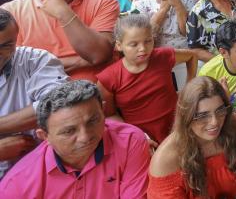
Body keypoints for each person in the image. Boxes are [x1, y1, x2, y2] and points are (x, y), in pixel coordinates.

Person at [0, 80, 150, 197]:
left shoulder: (130, 141)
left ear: (103, 111)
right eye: (69, 131)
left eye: (93, 121)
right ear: (44, 136)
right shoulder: (17, 184)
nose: (85, 137)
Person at [148, 76, 236, 198]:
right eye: (202, 116)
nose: (214, 122)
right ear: (186, 117)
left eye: (220, 110)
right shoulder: (165, 160)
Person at [97, 14, 197, 144]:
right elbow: (109, 115)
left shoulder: (162, 56)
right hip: (142, 139)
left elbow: (192, 56)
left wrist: (188, 87)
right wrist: (136, 136)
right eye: (134, 44)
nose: (143, 49)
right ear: (119, 46)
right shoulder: (108, 78)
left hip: (178, 129)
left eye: (148, 41)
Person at [0, 9, 68, 179]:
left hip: (38, 174)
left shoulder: (35, 60)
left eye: (6, 45)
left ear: (16, 39)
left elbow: (59, 105)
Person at [131, 0, 197, 90]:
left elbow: (188, 33)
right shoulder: (140, 1)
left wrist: (178, 5)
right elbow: (142, 37)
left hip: (185, 53)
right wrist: (163, 9)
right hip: (155, 55)